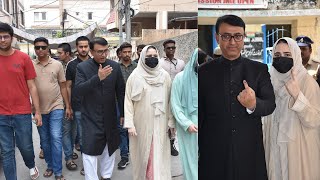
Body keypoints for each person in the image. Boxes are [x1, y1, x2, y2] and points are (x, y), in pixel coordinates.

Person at [198, 15, 276, 180]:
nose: (232, 42)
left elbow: (270, 104)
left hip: (248, 149)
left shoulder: (259, 70)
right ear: (217, 37)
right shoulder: (203, 72)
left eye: (237, 36)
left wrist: (253, 104)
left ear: (244, 37)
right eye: (226, 36)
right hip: (213, 151)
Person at [263, 37, 320, 180]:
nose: (281, 59)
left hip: (300, 151)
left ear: (295, 56)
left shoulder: (307, 82)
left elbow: (314, 121)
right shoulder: (269, 81)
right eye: (277, 55)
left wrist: (297, 95)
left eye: (287, 55)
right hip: (274, 149)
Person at [75, 37, 125, 180]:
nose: (103, 55)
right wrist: (98, 78)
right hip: (90, 115)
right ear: (91, 51)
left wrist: (122, 113)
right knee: (90, 150)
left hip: (109, 114)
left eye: (105, 51)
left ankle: (106, 175)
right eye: (99, 52)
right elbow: (78, 90)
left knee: (109, 147)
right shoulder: (82, 68)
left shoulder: (114, 66)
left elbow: (120, 91)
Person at [124, 45, 175, 180]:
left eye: (154, 56)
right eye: (148, 57)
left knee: (158, 154)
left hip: (161, 122)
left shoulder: (164, 76)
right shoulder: (135, 76)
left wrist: (171, 122)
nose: (152, 59)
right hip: (141, 124)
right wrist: (130, 124)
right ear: (142, 58)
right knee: (144, 154)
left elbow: (171, 100)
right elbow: (128, 101)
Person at [0, 22, 42, 180]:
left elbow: (32, 86)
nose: (2, 40)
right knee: (7, 151)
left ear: (12, 38)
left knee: (25, 147)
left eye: (5, 36)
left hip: (22, 113)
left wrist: (37, 111)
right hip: (1, 114)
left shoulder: (23, 58)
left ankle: (31, 164)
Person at [33, 37, 72, 180]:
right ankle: (50, 165)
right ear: (34, 49)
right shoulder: (30, 65)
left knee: (56, 137)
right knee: (45, 140)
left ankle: (58, 171)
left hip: (56, 106)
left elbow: (63, 86)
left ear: (48, 48)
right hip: (38, 109)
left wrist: (67, 106)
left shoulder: (57, 65)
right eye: (37, 47)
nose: (40, 50)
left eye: (43, 47)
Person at [171, 49, 200, 180]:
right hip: (188, 126)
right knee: (190, 159)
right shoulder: (180, 79)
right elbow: (175, 105)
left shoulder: (207, 77)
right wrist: (186, 123)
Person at [65, 36, 91, 176]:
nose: (83, 49)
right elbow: (68, 86)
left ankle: (88, 163)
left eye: (85, 46)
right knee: (80, 136)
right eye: (80, 46)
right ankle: (83, 164)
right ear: (76, 47)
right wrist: (68, 106)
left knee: (90, 136)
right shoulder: (71, 65)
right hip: (78, 106)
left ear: (89, 47)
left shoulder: (95, 63)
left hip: (93, 107)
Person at [159, 39, 185, 156]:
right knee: (163, 120)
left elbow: (184, 79)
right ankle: (162, 145)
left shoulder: (181, 63)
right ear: (164, 50)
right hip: (162, 96)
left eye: (173, 48)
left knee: (173, 120)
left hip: (177, 96)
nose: (171, 50)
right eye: (168, 48)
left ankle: (172, 144)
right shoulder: (159, 63)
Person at [117, 42, 137, 170]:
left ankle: (134, 153)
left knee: (133, 129)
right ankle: (124, 156)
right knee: (122, 129)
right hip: (118, 102)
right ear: (120, 53)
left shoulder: (136, 67)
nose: (127, 54)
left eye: (129, 52)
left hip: (135, 103)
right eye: (125, 52)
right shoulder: (114, 67)